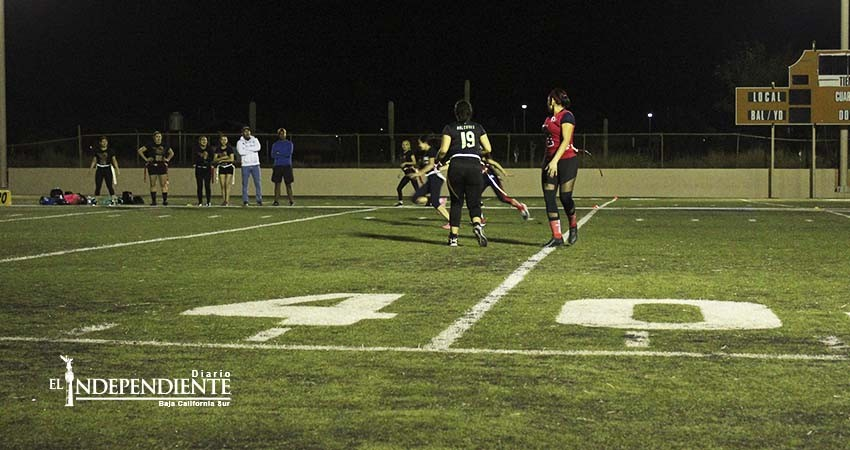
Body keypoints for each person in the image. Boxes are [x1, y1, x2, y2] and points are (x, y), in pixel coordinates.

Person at [435, 100, 490, 247]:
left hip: (457, 166)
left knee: (456, 203)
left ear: (456, 113)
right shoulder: (478, 127)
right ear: (470, 112)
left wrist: (438, 160)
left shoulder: (450, 128)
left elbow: (444, 150)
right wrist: (476, 152)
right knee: (474, 202)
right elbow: (489, 148)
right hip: (474, 165)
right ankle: (477, 225)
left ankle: (453, 237)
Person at [541, 88, 580, 247]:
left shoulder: (567, 115)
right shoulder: (549, 118)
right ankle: (557, 235)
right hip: (550, 161)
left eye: (548, 99)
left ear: (554, 100)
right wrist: (547, 161)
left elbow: (565, 140)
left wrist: (555, 161)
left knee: (565, 197)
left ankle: (573, 224)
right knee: (549, 196)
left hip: (566, 161)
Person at [408, 135, 451, 230]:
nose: (419, 145)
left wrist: (419, 173)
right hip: (431, 178)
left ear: (425, 142)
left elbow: (431, 165)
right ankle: (440, 201)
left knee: (435, 203)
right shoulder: (425, 153)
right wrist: (417, 170)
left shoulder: (432, 151)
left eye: (420, 143)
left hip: (436, 177)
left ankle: (451, 222)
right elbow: (425, 165)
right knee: (415, 198)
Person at [137, 131, 174, 206]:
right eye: (157, 137)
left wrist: (167, 159)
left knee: (163, 184)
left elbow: (171, 153)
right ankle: (154, 201)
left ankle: (165, 200)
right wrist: (146, 159)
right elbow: (140, 151)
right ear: (154, 138)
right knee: (153, 183)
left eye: (159, 137)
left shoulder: (165, 145)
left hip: (161, 165)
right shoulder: (150, 144)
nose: (158, 138)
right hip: (152, 165)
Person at [89, 136, 119, 205]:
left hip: (107, 168)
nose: (104, 143)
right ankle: (96, 200)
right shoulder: (97, 151)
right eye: (103, 142)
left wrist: (117, 169)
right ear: (100, 143)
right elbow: (94, 160)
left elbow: (114, 160)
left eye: (105, 141)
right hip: (99, 168)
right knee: (98, 185)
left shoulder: (110, 151)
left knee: (109, 185)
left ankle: (114, 199)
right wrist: (90, 169)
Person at [237, 126, 262, 206]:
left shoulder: (255, 140)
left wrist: (246, 149)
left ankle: (259, 200)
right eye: (245, 131)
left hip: (255, 164)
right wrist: (252, 150)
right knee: (245, 184)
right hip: (245, 165)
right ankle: (245, 200)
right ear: (242, 133)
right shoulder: (239, 142)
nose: (247, 133)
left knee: (257, 183)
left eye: (248, 131)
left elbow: (258, 148)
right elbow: (241, 152)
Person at [270, 128, 295, 206]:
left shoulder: (289, 144)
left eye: (283, 133)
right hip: (277, 166)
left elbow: (288, 153)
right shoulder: (275, 144)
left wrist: (279, 153)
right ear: (278, 135)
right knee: (277, 184)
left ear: (285, 134)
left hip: (287, 165)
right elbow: (273, 155)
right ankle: (276, 201)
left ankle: (291, 201)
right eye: (280, 134)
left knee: (288, 184)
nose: (282, 135)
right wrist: (279, 154)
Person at [394, 139, 420, 206]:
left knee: (417, 189)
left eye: (406, 144)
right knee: (399, 188)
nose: (404, 146)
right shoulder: (402, 154)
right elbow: (402, 165)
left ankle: (429, 200)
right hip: (406, 174)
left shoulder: (410, 152)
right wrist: (400, 172)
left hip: (411, 173)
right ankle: (400, 202)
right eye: (403, 145)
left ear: (409, 146)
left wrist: (406, 163)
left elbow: (414, 162)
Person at [213, 134, 236, 206]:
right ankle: (223, 200)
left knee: (227, 184)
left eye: (225, 140)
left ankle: (227, 200)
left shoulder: (229, 148)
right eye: (222, 140)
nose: (223, 141)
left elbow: (232, 159)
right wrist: (224, 158)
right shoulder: (218, 149)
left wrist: (222, 159)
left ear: (227, 140)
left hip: (229, 167)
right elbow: (215, 159)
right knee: (222, 185)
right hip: (221, 167)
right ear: (220, 141)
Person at [193, 135, 214, 206]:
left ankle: (208, 201)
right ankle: (200, 201)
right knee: (199, 186)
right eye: (202, 140)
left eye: (205, 140)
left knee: (207, 185)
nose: (204, 141)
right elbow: (194, 158)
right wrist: (202, 158)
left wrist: (206, 159)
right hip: (199, 168)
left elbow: (212, 158)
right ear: (199, 141)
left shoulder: (209, 149)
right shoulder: (196, 149)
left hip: (207, 169)